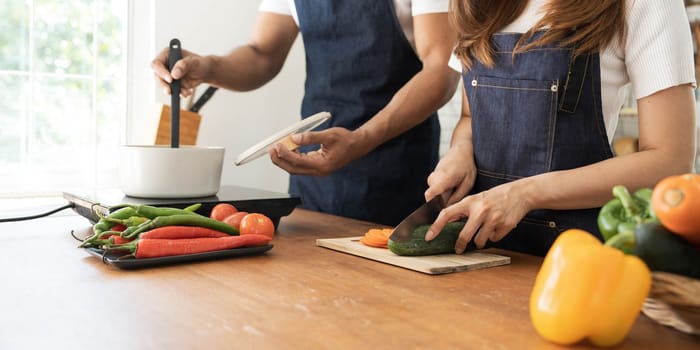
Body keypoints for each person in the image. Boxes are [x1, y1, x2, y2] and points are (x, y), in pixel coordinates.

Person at [424, 0, 697, 256]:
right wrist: (460, 152)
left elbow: (671, 159)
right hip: (477, 255)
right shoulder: (475, 4)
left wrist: (525, 194)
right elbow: (470, 118)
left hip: (575, 263)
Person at [151, 1, 459, 226]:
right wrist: (208, 67)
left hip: (395, 171)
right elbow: (262, 54)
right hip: (313, 172)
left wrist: (363, 138)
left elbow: (442, 68)